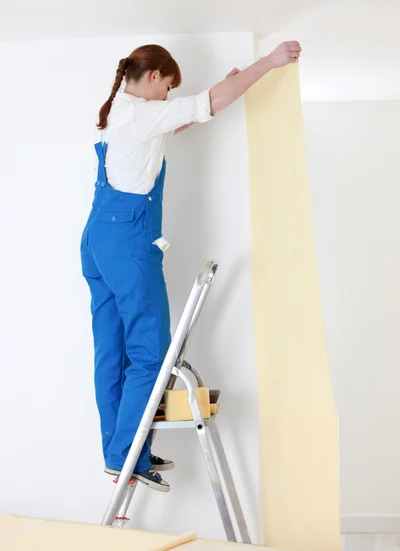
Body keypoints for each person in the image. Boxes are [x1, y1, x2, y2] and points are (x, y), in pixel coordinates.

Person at [80, 40, 302, 493]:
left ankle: (120, 452)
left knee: (112, 353)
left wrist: (230, 83)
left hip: (97, 240)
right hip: (127, 242)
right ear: (156, 76)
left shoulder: (121, 112)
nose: (168, 96)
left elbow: (186, 118)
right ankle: (128, 454)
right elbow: (203, 107)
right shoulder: (142, 113)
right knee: (148, 355)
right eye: (168, 87)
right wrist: (270, 62)